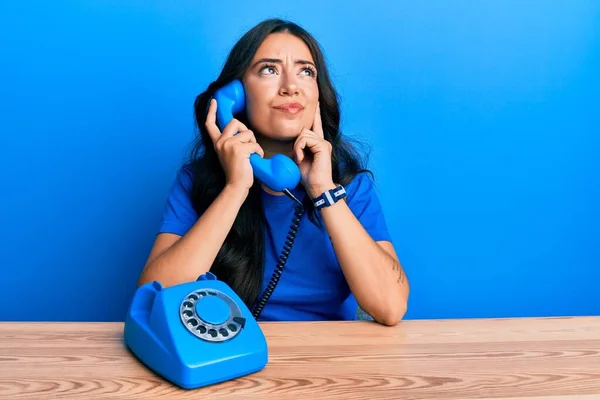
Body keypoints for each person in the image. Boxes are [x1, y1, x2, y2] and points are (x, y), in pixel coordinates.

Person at [137, 18, 409, 326]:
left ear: (317, 94)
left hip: (331, 360)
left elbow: (390, 306)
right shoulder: (196, 182)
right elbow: (153, 302)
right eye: (269, 69)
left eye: (306, 71)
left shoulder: (350, 186)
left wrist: (323, 191)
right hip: (231, 357)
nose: (290, 87)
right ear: (236, 94)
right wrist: (235, 189)